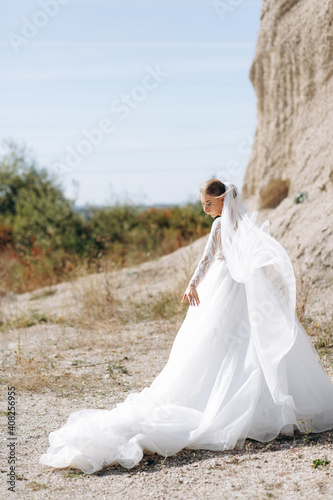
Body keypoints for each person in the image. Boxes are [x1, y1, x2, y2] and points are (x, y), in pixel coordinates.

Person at [40, 179, 333, 474]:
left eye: (209, 204)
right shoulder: (244, 222)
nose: (205, 209)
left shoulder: (220, 225)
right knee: (241, 345)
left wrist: (193, 283)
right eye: (203, 205)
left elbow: (207, 258)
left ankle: (230, 402)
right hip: (242, 288)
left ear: (222, 201)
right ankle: (263, 406)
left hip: (224, 284)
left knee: (219, 343)